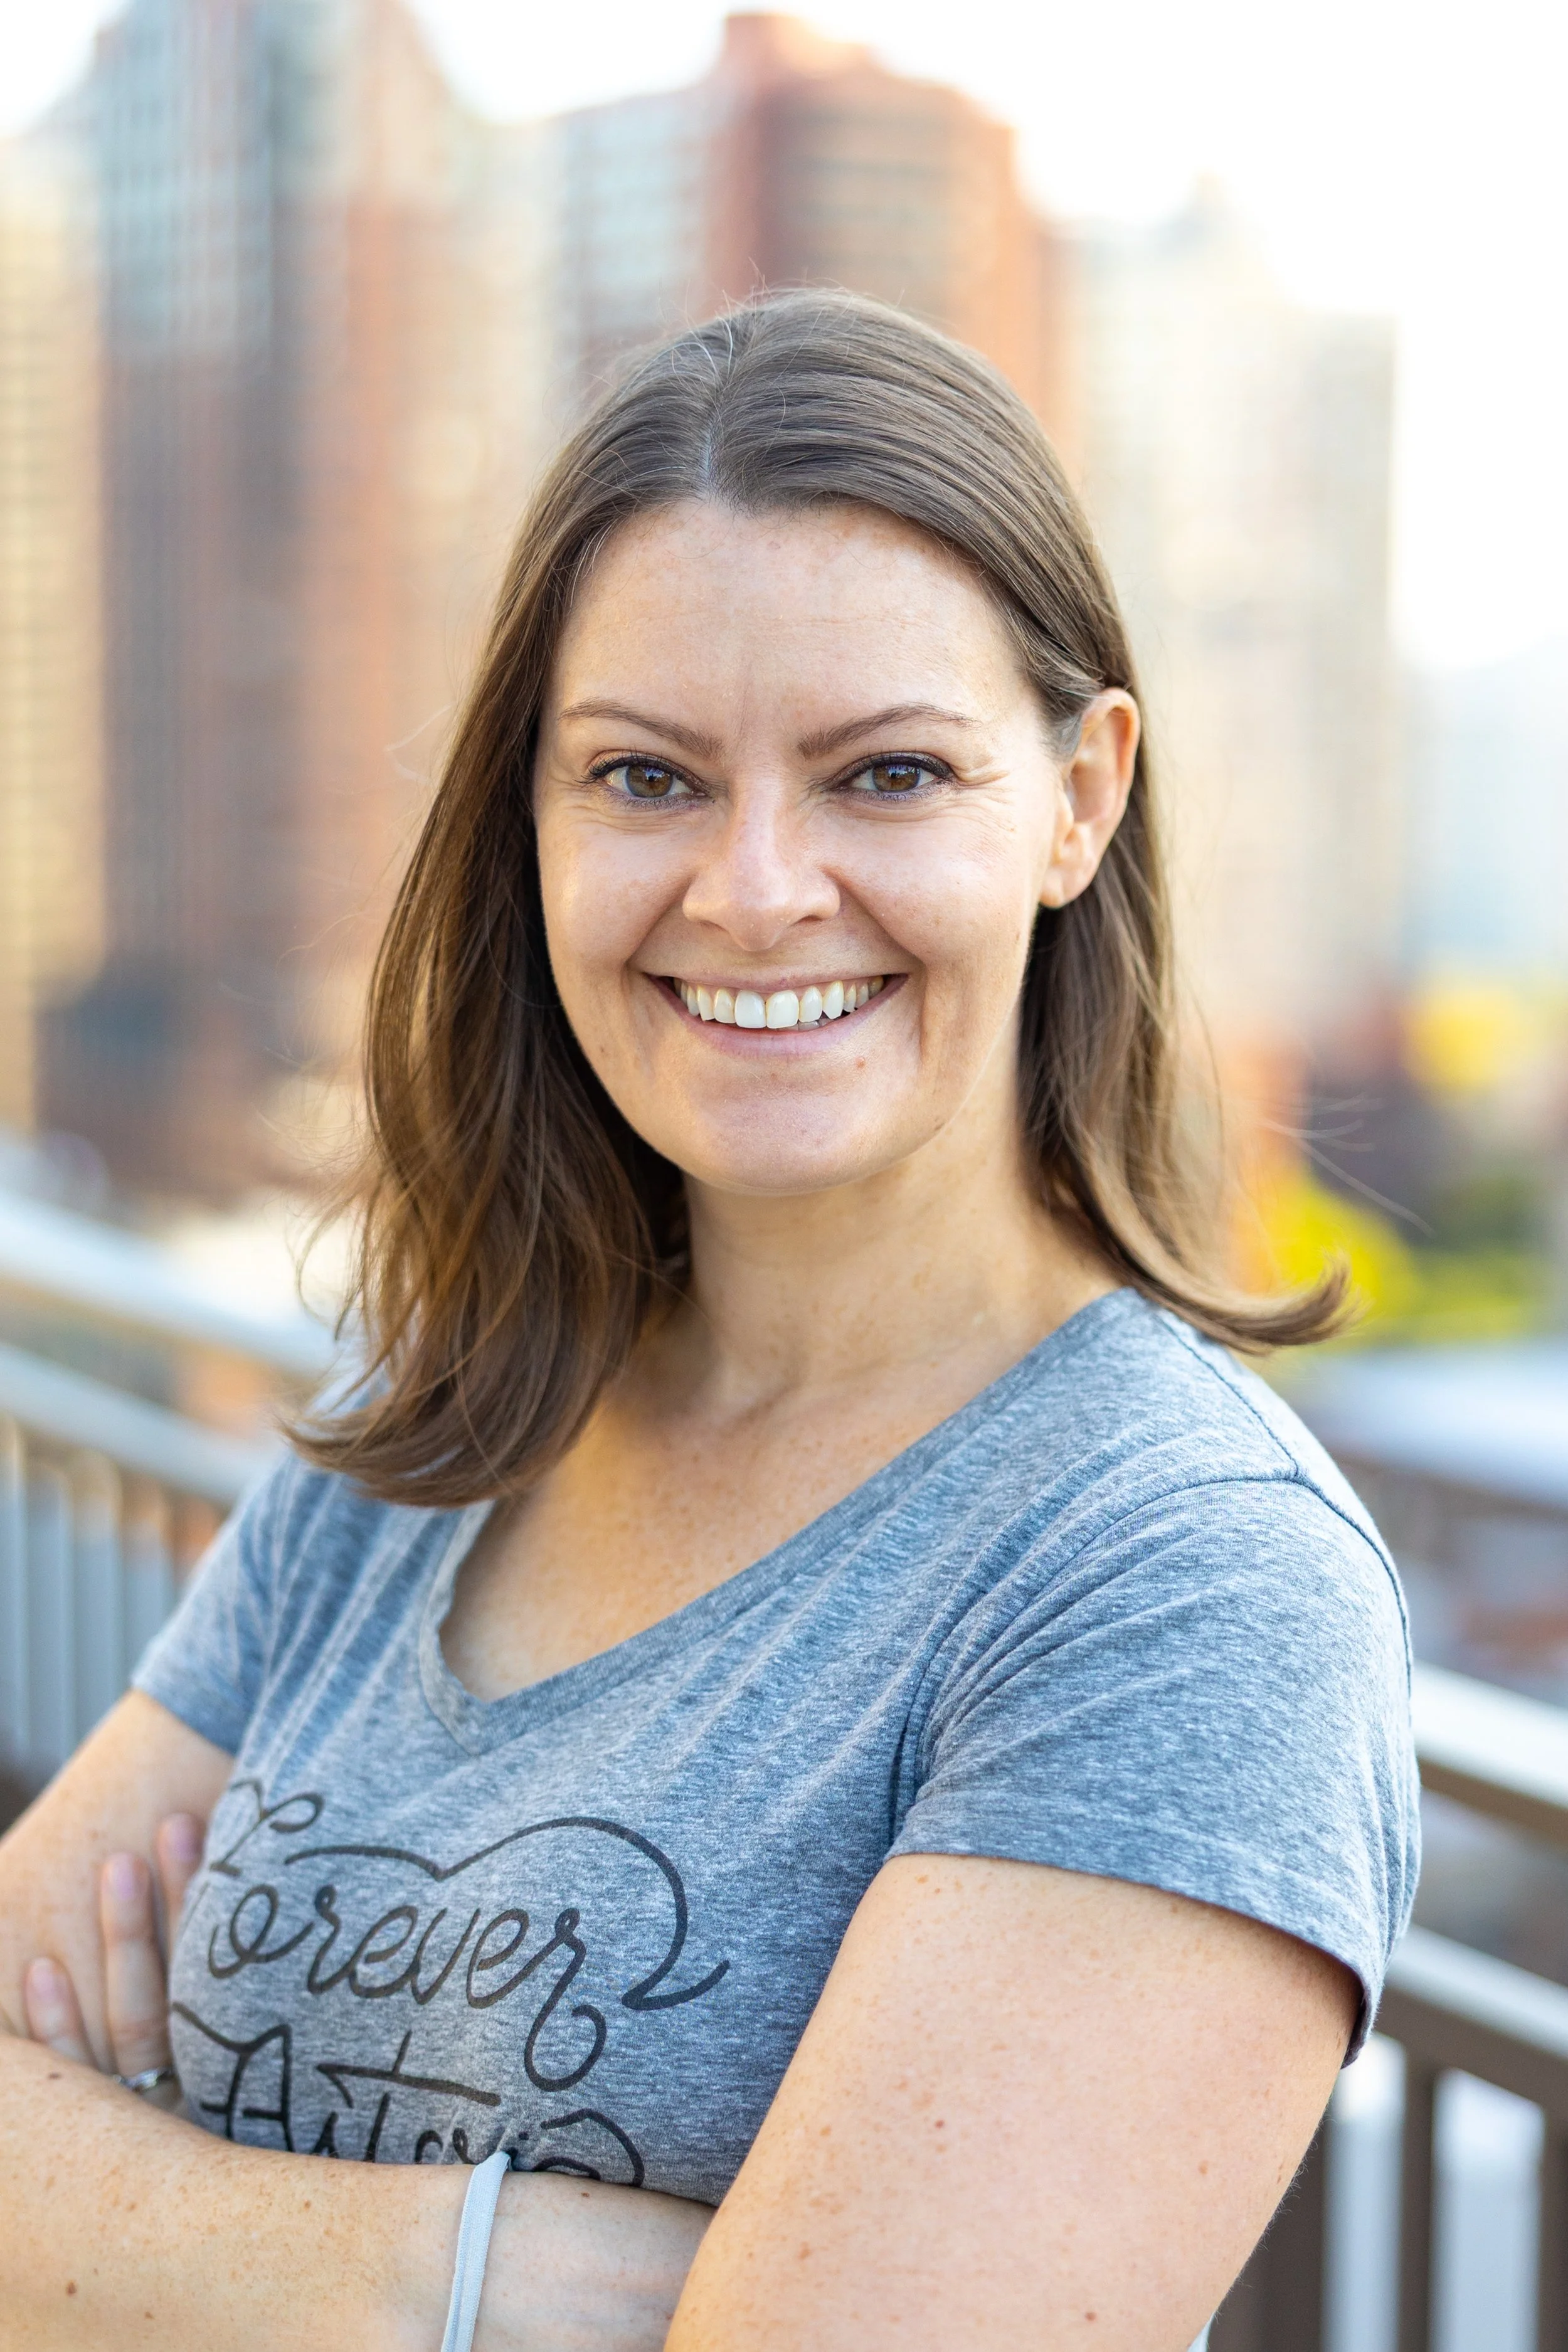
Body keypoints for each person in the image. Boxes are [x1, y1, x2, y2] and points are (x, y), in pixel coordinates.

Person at [0, 292, 1417, 2351]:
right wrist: (499, 2277)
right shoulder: (441, 1416)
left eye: (887, 773)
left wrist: (131, 2225)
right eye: (647, 777)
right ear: (539, 819)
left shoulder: (1181, 1585)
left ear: (1076, 796)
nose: (754, 889)